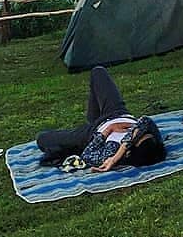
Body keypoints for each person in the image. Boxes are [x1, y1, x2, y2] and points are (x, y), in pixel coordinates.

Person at [36, 65, 166, 171]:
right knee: (98, 72)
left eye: (133, 139)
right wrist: (125, 136)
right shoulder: (153, 139)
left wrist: (109, 131)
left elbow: (88, 155)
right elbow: (144, 121)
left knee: (42, 139)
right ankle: (92, 117)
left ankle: (87, 124)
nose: (132, 134)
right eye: (137, 134)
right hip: (118, 112)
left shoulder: (110, 153)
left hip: (93, 131)